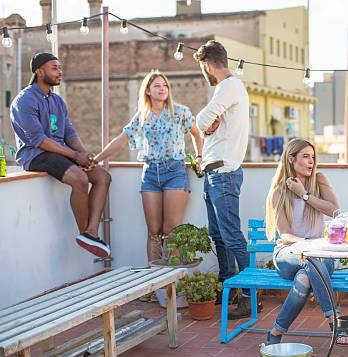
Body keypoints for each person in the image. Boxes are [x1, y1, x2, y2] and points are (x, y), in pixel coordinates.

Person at [93, 70, 203, 262]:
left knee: (171, 230)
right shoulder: (142, 117)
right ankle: (155, 283)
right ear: (148, 92)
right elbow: (121, 140)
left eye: (165, 85)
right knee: (154, 232)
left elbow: (196, 133)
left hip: (175, 172)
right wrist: (97, 159)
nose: (162, 89)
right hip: (150, 174)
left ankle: (172, 283)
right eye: (157, 86)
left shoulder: (180, 112)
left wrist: (200, 157)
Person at [10, 52, 111, 257]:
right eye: (54, 68)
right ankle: (85, 233)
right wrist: (75, 156)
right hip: (36, 154)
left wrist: (84, 155)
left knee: (102, 177)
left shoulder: (57, 100)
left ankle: (91, 232)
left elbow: (69, 133)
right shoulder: (25, 100)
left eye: (60, 68)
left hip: (60, 151)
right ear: (39, 72)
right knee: (80, 178)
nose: (60, 72)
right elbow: (39, 140)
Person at [264, 139, 348, 345]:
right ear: (291, 159)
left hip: (319, 255)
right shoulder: (278, 193)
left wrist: (303, 194)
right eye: (305, 156)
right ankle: (335, 319)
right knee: (311, 259)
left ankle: (275, 332)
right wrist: (305, 245)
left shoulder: (319, 180)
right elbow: (284, 235)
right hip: (288, 254)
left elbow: (334, 211)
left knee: (303, 280)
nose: (311, 161)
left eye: (313, 157)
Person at [192, 40, 256, 319]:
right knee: (218, 235)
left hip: (224, 174)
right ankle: (227, 286)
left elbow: (202, 120)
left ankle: (249, 296)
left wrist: (207, 125)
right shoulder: (229, 89)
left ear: (207, 65)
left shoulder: (229, 86)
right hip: (214, 173)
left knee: (231, 236)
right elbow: (209, 124)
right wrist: (210, 127)